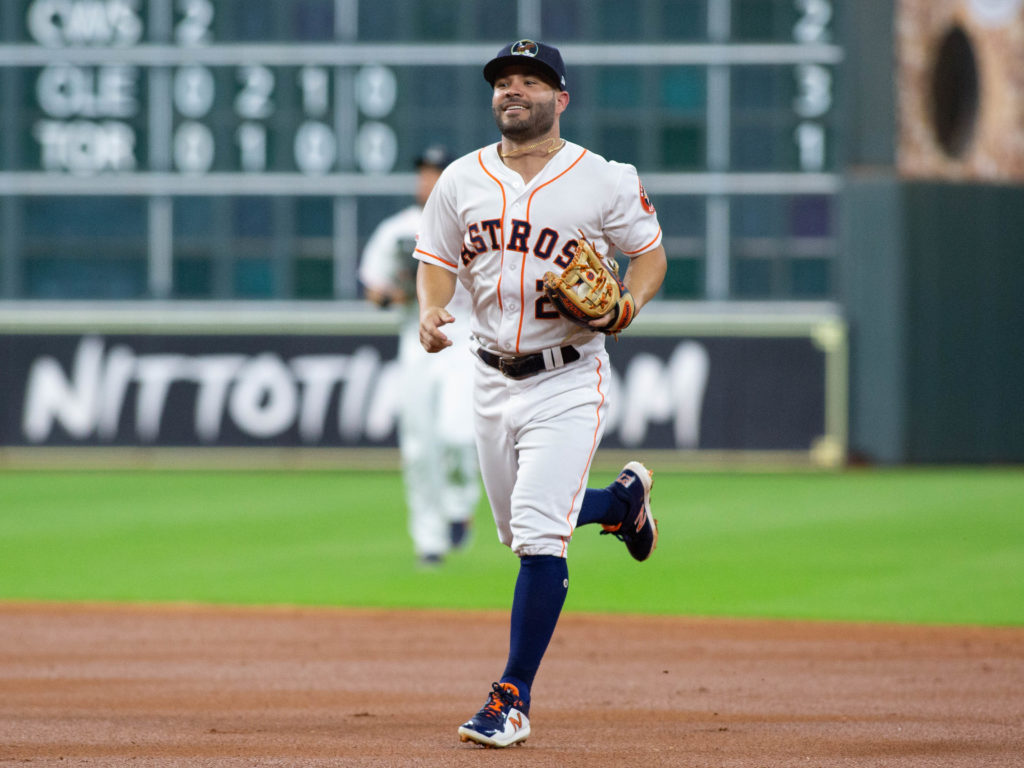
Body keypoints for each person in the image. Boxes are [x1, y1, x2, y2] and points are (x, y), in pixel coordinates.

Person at [414, 40, 668, 747]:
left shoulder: (603, 179)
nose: (513, 90)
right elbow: (434, 261)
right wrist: (431, 311)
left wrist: (629, 306)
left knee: (535, 532)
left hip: (567, 373)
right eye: (503, 81)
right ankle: (620, 504)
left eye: (530, 80)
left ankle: (511, 699)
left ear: (561, 97)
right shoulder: (460, 181)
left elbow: (648, 253)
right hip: (490, 374)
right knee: (520, 528)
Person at [359, 146, 479, 567]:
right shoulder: (398, 229)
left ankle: (460, 506)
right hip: (415, 336)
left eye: (436, 172)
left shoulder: (477, 225)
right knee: (419, 446)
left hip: (465, 336)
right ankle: (430, 542)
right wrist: (396, 294)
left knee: (459, 434)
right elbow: (372, 287)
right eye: (424, 172)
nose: (428, 180)